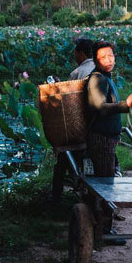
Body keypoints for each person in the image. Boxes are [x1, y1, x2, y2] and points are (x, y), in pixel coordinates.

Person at [51, 37, 95, 202]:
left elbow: (69, 101)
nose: (75, 56)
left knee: (63, 155)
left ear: (81, 54)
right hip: (98, 124)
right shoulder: (101, 69)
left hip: (79, 126)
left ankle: (55, 199)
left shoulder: (77, 73)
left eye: (76, 53)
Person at [86, 40, 132, 177]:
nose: (108, 60)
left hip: (108, 137)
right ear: (95, 61)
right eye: (103, 57)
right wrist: (126, 104)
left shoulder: (106, 77)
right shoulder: (97, 79)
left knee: (107, 176)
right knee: (105, 181)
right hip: (101, 138)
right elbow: (100, 107)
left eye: (110, 55)